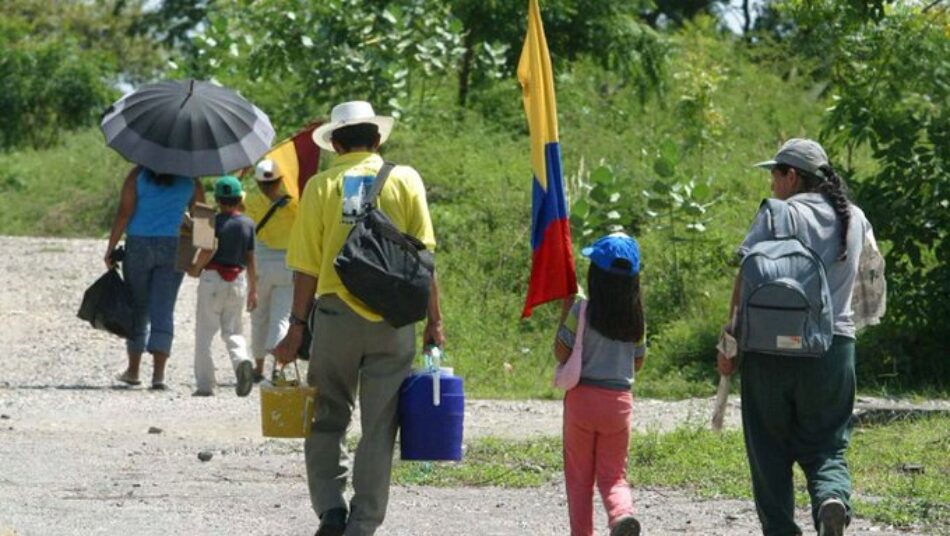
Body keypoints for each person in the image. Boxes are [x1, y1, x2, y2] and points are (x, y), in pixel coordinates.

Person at [273, 100, 445, 536]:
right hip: (394, 320)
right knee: (380, 425)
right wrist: (435, 323)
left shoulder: (320, 186)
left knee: (327, 415)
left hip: (334, 318)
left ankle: (331, 510)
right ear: (378, 138)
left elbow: (306, 267)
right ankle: (363, 525)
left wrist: (295, 327)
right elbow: (424, 259)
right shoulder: (405, 179)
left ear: (334, 142)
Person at [718, 139, 872, 536]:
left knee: (768, 449)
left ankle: (782, 530)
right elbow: (868, 286)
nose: (771, 183)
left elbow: (746, 278)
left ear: (792, 176)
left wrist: (729, 342)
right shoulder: (854, 218)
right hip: (833, 348)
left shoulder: (777, 215)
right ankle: (831, 499)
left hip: (769, 350)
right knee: (828, 443)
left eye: (775, 173)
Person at [554, 233, 646, 536]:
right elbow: (638, 361)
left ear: (595, 276)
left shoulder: (582, 311)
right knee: (614, 476)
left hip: (582, 401)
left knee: (579, 479)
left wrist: (565, 312)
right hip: (619, 404)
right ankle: (621, 516)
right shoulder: (637, 320)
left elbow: (561, 352)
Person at [105, 165, 204, 389]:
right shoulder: (191, 179)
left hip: (138, 244)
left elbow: (124, 212)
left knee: (138, 307)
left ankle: (133, 370)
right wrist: (202, 257)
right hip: (174, 245)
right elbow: (203, 216)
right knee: (164, 307)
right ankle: (158, 376)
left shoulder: (136, 175)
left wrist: (111, 247)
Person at [190, 176, 258, 397]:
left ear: (218, 199)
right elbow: (251, 259)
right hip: (237, 280)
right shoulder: (248, 224)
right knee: (233, 330)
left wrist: (195, 268)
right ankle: (242, 361)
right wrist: (253, 289)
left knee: (205, 333)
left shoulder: (210, 222)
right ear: (240, 198)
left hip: (212, 278)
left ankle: (205, 384)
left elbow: (206, 250)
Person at [245, 159, 298, 382]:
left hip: (261, 265)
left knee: (259, 318)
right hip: (288, 264)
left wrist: (240, 176)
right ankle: (278, 365)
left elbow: (228, 202)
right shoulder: (295, 203)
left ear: (257, 182)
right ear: (280, 180)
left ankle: (258, 368)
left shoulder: (250, 201)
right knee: (282, 318)